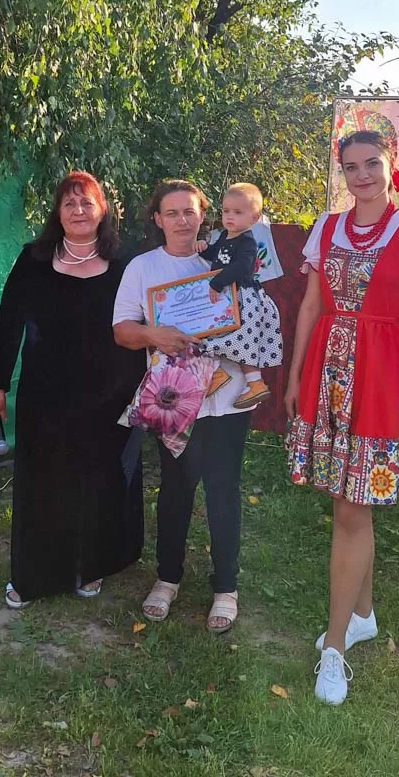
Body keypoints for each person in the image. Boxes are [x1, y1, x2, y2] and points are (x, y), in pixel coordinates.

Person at [284, 110, 399, 705]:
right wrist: (296, 376)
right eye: (351, 167)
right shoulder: (327, 229)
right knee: (349, 501)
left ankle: (334, 647)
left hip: (382, 378)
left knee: (352, 507)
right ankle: (363, 616)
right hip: (328, 373)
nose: (362, 176)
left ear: (391, 164)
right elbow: (309, 307)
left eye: (371, 164)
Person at [0, 171, 145, 609]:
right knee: (42, 480)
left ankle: (91, 567)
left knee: (98, 478)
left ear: (102, 210)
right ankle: (32, 576)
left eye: (86, 202)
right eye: (69, 203)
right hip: (45, 394)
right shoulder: (32, 259)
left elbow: (147, 320)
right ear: (57, 212)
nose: (78, 210)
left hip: (109, 393)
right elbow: (8, 323)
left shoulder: (126, 264)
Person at [112, 179, 253, 633]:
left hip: (227, 396)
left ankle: (225, 588)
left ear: (202, 215)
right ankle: (167, 578)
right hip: (174, 399)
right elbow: (122, 330)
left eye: (189, 211)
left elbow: (254, 308)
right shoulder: (142, 267)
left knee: (223, 490)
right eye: (171, 213)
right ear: (157, 219)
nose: (181, 221)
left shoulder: (224, 257)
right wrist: (154, 335)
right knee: (175, 489)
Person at [195, 182, 283, 409]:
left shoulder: (247, 241)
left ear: (254, 218)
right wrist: (204, 248)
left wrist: (217, 282)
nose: (229, 217)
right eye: (226, 211)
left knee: (236, 337)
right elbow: (218, 255)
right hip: (227, 293)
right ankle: (220, 374)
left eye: (237, 212)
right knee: (209, 331)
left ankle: (252, 382)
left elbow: (242, 267)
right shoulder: (226, 235)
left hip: (242, 297)